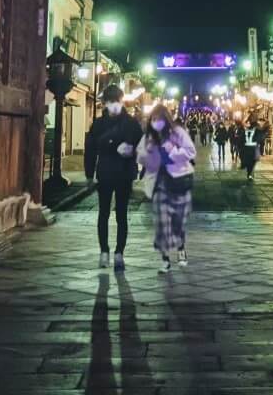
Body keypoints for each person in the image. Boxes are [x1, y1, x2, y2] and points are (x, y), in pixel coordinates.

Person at [84, 84, 143, 272]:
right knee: (103, 213)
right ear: (105, 103)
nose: (114, 105)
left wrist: (132, 152)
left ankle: (119, 253)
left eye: (116, 101)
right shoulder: (98, 124)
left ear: (121, 100)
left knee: (121, 215)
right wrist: (89, 175)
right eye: (110, 101)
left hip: (124, 173)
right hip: (105, 173)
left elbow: (143, 147)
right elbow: (90, 150)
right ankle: (104, 251)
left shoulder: (131, 123)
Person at [138, 104, 196, 272]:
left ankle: (181, 248)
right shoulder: (149, 136)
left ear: (166, 119)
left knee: (178, 222)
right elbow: (140, 155)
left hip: (178, 182)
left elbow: (190, 151)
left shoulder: (177, 133)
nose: (156, 122)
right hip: (159, 184)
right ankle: (165, 259)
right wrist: (147, 153)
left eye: (159, 119)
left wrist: (173, 151)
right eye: (153, 119)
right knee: (161, 223)